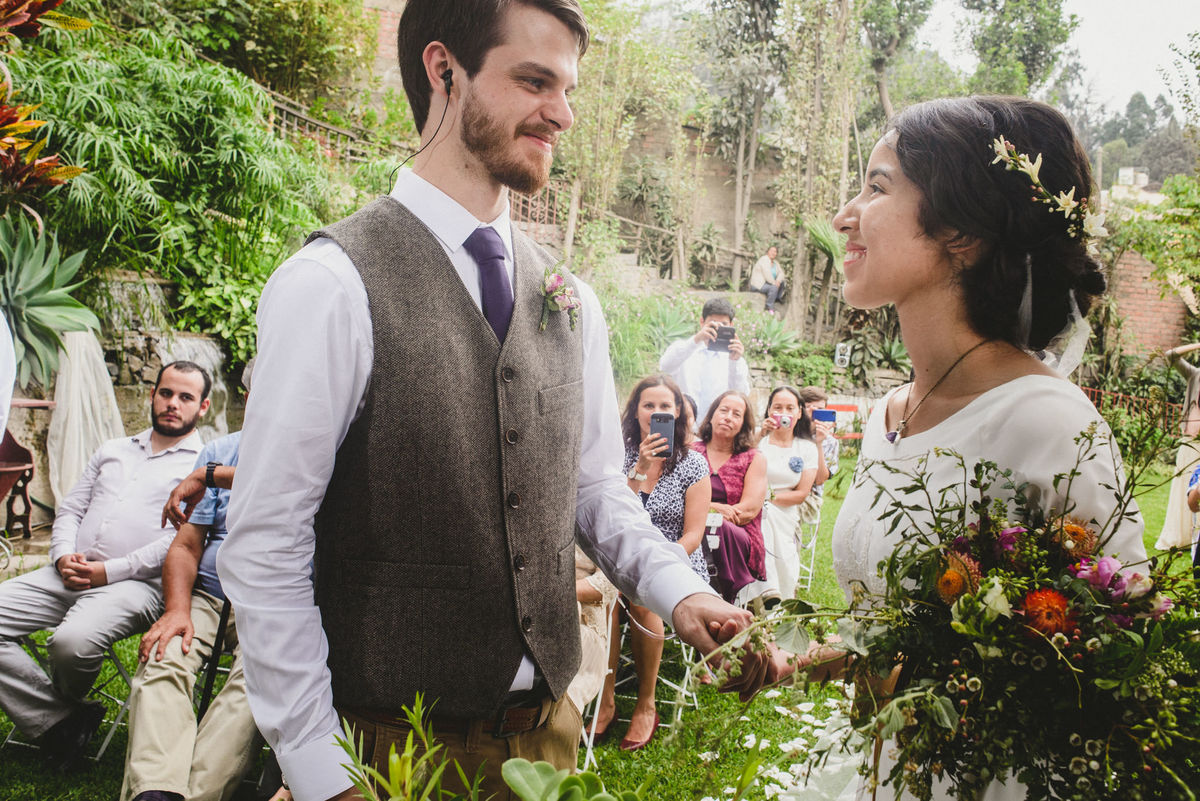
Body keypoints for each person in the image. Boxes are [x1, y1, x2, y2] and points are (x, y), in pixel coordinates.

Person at [216, 3, 765, 800]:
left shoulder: (572, 298)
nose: (564, 114)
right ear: (444, 71)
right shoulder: (331, 285)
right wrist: (319, 768)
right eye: (535, 81)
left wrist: (681, 592)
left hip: (547, 742)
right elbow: (265, 546)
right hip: (383, 750)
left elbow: (592, 489)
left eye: (568, 88)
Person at [774, 97, 1146, 799]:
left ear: (961, 235)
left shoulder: (1048, 424)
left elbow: (1115, 668)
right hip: (876, 767)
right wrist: (791, 659)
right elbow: (897, 636)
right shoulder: (890, 413)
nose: (844, 215)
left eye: (877, 186)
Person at [0, 361, 209, 769]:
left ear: (202, 408)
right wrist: (62, 555)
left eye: (186, 397)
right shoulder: (112, 449)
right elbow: (71, 509)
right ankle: (64, 717)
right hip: (66, 572)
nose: (172, 404)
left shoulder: (202, 465)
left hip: (139, 585)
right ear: (152, 395)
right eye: (166, 393)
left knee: (70, 642)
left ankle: (59, 714)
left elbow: (180, 541)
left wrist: (107, 572)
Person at [121, 363, 259, 801]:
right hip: (209, 596)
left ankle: (196, 794)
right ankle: (157, 791)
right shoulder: (222, 449)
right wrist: (177, 609)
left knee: (255, 682)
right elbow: (184, 547)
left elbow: (284, 484)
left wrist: (209, 476)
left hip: (275, 605)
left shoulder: (321, 453)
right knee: (164, 656)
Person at [592, 375, 711, 751]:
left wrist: (659, 565)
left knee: (642, 599)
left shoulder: (694, 464)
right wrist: (640, 467)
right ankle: (606, 698)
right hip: (618, 560)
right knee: (606, 597)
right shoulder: (620, 456)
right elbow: (612, 517)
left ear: (678, 413)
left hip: (677, 560)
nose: (657, 412)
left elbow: (694, 535)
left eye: (665, 406)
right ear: (636, 412)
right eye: (649, 405)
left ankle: (646, 703)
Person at [744, 386, 819, 604]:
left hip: (786, 513)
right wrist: (759, 435)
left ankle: (775, 591)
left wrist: (765, 496)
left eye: (789, 408)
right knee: (764, 515)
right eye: (777, 407)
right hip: (755, 511)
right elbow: (741, 475)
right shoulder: (759, 442)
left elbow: (801, 494)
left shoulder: (806, 448)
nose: (783, 413)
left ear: (798, 413)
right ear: (768, 411)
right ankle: (768, 590)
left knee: (769, 515)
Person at [692, 391, 767, 607]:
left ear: (743, 424)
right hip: (691, 526)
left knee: (721, 527)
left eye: (736, 414)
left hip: (737, 533)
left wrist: (715, 515)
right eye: (723, 410)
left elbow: (748, 511)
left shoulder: (753, 458)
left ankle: (724, 599)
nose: (727, 417)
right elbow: (677, 498)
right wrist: (713, 508)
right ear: (712, 415)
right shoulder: (690, 452)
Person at [658, 298, 750, 421]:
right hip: (684, 425)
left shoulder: (735, 360)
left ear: (731, 326)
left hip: (717, 428)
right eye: (713, 323)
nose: (717, 328)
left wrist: (734, 361)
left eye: (724, 324)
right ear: (702, 322)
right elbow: (665, 366)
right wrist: (696, 340)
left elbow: (741, 395)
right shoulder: (684, 348)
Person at [1156, 343, 1200, 552]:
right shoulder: (1195, 375)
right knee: (1183, 487)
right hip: (1189, 442)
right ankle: (1181, 536)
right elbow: (1170, 355)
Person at [797, 385, 838, 491]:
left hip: (811, 497)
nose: (813, 412)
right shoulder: (787, 433)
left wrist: (818, 444)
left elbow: (820, 480)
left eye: (819, 409)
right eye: (808, 407)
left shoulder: (829, 441)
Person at [749, 245, 786, 313]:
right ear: (767, 252)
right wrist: (774, 282)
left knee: (782, 282)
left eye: (775, 251)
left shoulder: (775, 263)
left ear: (776, 254)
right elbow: (767, 273)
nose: (773, 253)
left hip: (768, 283)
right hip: (759, 285)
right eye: (771, 251)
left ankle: (776, 298)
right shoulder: (764, 259)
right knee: (774, 287)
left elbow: (781, 273)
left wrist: (778, 280)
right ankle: (769, 307)